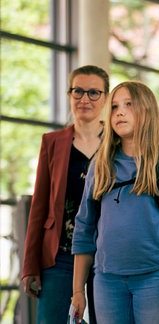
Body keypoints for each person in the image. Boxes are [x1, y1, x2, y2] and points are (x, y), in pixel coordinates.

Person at [71, 81, 159, 323]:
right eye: (114, 107)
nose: (119, 112)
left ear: (147, 110)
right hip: (106, 280)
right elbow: (84, 229)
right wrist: (77, 290)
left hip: (157, 278)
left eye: (129, 105)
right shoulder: (100, 166)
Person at [21, 65, 109, 324]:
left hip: (105, 256)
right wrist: (30, 266)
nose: (85, 99)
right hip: (60, 255)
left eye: (94, 92)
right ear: (69, 94)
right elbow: (39, 207)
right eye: (78, 91)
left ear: (105, 98)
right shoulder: (53, 142)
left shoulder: (117, 144)